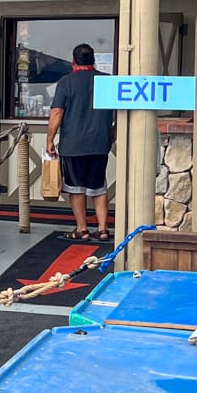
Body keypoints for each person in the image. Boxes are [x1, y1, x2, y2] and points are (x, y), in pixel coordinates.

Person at [46, 43, 115, 243]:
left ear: (73, 61)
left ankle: (82, 229)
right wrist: (112, 133)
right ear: (93, 60)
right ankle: (103, 229)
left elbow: (57, 112)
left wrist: (50, 139)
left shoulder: (66, 82)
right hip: (100, 143)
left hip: (73, 144)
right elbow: (122, 111)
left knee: (76, 188)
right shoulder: (106, 81)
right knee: (98, 187)